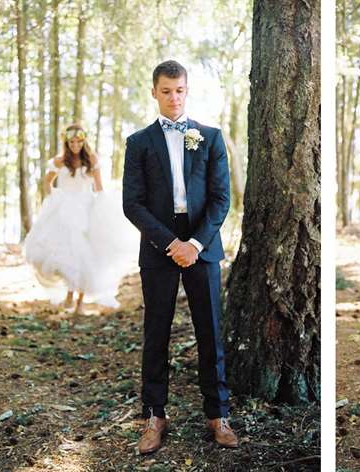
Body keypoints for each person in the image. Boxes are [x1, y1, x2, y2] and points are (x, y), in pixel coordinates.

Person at [122, 60, 238, 455]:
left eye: (180, 90)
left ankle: (218, 414)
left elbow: (222, 199)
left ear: (188, 91)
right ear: (154, 91)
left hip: (202, 247)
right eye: (167, 91)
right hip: (158, 248)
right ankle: (155, 415)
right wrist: (171, 243)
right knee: (156, 333)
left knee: (211, 332)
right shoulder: (138, 143)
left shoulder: (211, 137)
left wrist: (196, 245)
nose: (174, 98)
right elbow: (132, 204)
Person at [24, 123, 137, 314]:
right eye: (71, 142)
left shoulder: (91, 160)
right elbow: (47, 181)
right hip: (65, 207)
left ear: (84, 141)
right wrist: (54, 197)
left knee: (87, 253)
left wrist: (104, 206)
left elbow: (99, 187)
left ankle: (80, 302)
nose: (75, 145)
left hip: (86, 207)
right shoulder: (59, 161)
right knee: (69, 252)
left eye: (78, 141)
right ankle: (69, 293)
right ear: (66, 143)